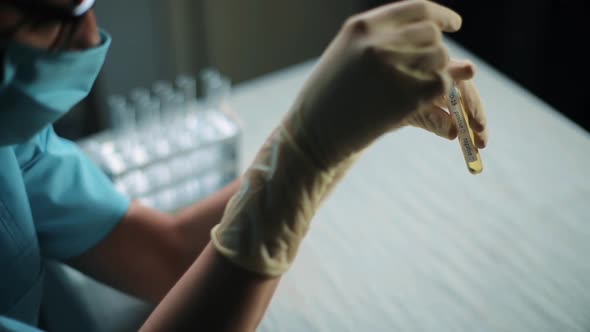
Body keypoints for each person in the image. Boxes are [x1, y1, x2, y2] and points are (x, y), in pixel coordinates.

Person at [0, 0, 488, 330]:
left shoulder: (13, 143)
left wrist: (331, 135)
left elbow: (164, 255)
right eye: (50, 15)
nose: (91, 37)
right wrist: (305, 161)